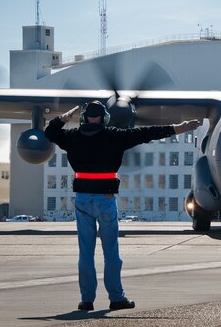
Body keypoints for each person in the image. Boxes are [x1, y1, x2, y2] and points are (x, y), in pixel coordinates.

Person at [45, 101, 200, 311]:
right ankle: (116, 298)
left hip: (82, 199)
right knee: (111, 253)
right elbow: (146, 133)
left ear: (83, 118)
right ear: (105, 118)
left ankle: (87, 300)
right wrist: (178, 128)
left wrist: (64, 117)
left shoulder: (71, 137)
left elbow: (50, 132)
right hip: (106, 199)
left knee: (86, 253)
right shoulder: (114, 136)